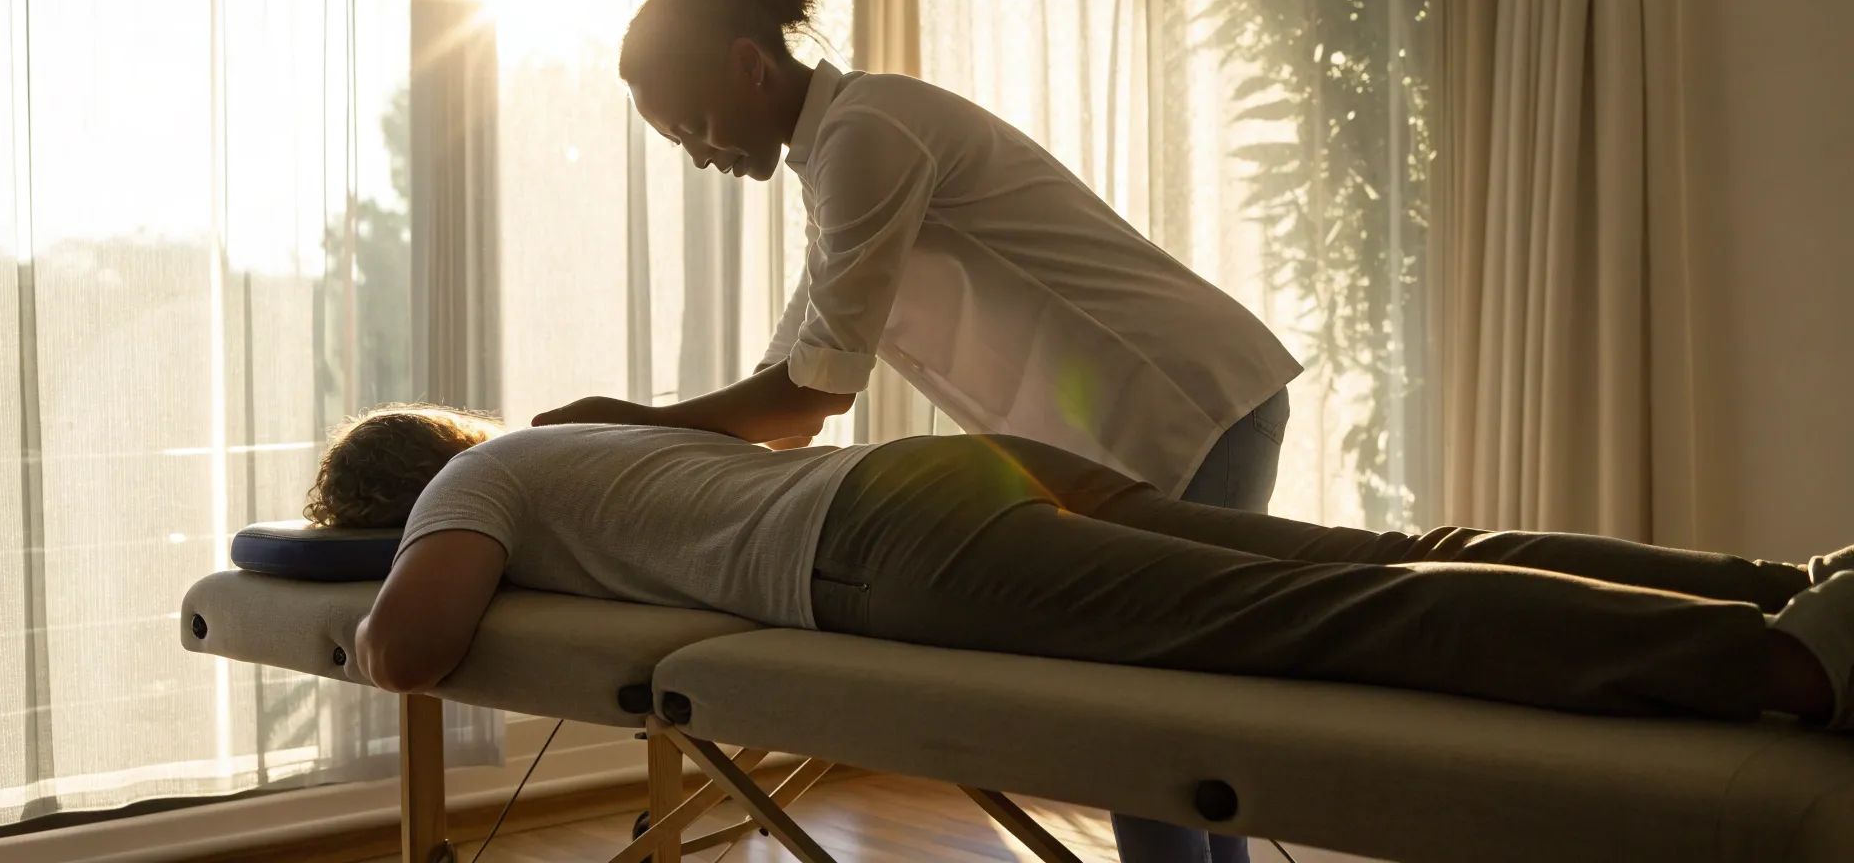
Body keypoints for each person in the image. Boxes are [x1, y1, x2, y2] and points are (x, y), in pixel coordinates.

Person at [533, 0, 1305, 863]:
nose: (699, 155)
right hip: (1164, 412)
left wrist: (636, 423)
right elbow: (797, 367)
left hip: (1183, 401)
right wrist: (651, 448)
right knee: (1169, 717)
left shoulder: (869, 133)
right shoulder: (838, 157)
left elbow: (810, 392)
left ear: (748, 65)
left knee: (1146, 716)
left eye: (692, 124)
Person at [319, 406, 1854, 755]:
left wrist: (367, 576)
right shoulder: (559, 440)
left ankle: (1795, 668)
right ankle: (1795, 586)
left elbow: (412, 647)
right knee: (1389, 558)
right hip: (946, 467)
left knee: (1340, 617)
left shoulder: (474, 486)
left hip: (889, 548)